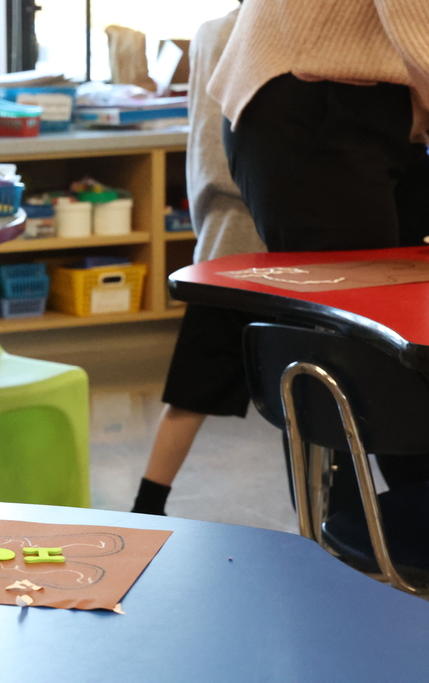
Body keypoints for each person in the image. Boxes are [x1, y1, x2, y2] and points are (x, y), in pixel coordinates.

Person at [210, 0, 429, 498]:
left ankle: (396, 533)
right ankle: (338, 551)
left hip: (382, 108)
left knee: (397, 339)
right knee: (344, 342)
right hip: (312, 101)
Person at [132, 4, 267, 516]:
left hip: (220, 234)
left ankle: (148, 504)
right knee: (304, 388)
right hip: (260, 234)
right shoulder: (279, 37)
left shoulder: (212, 32)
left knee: (191, 390)